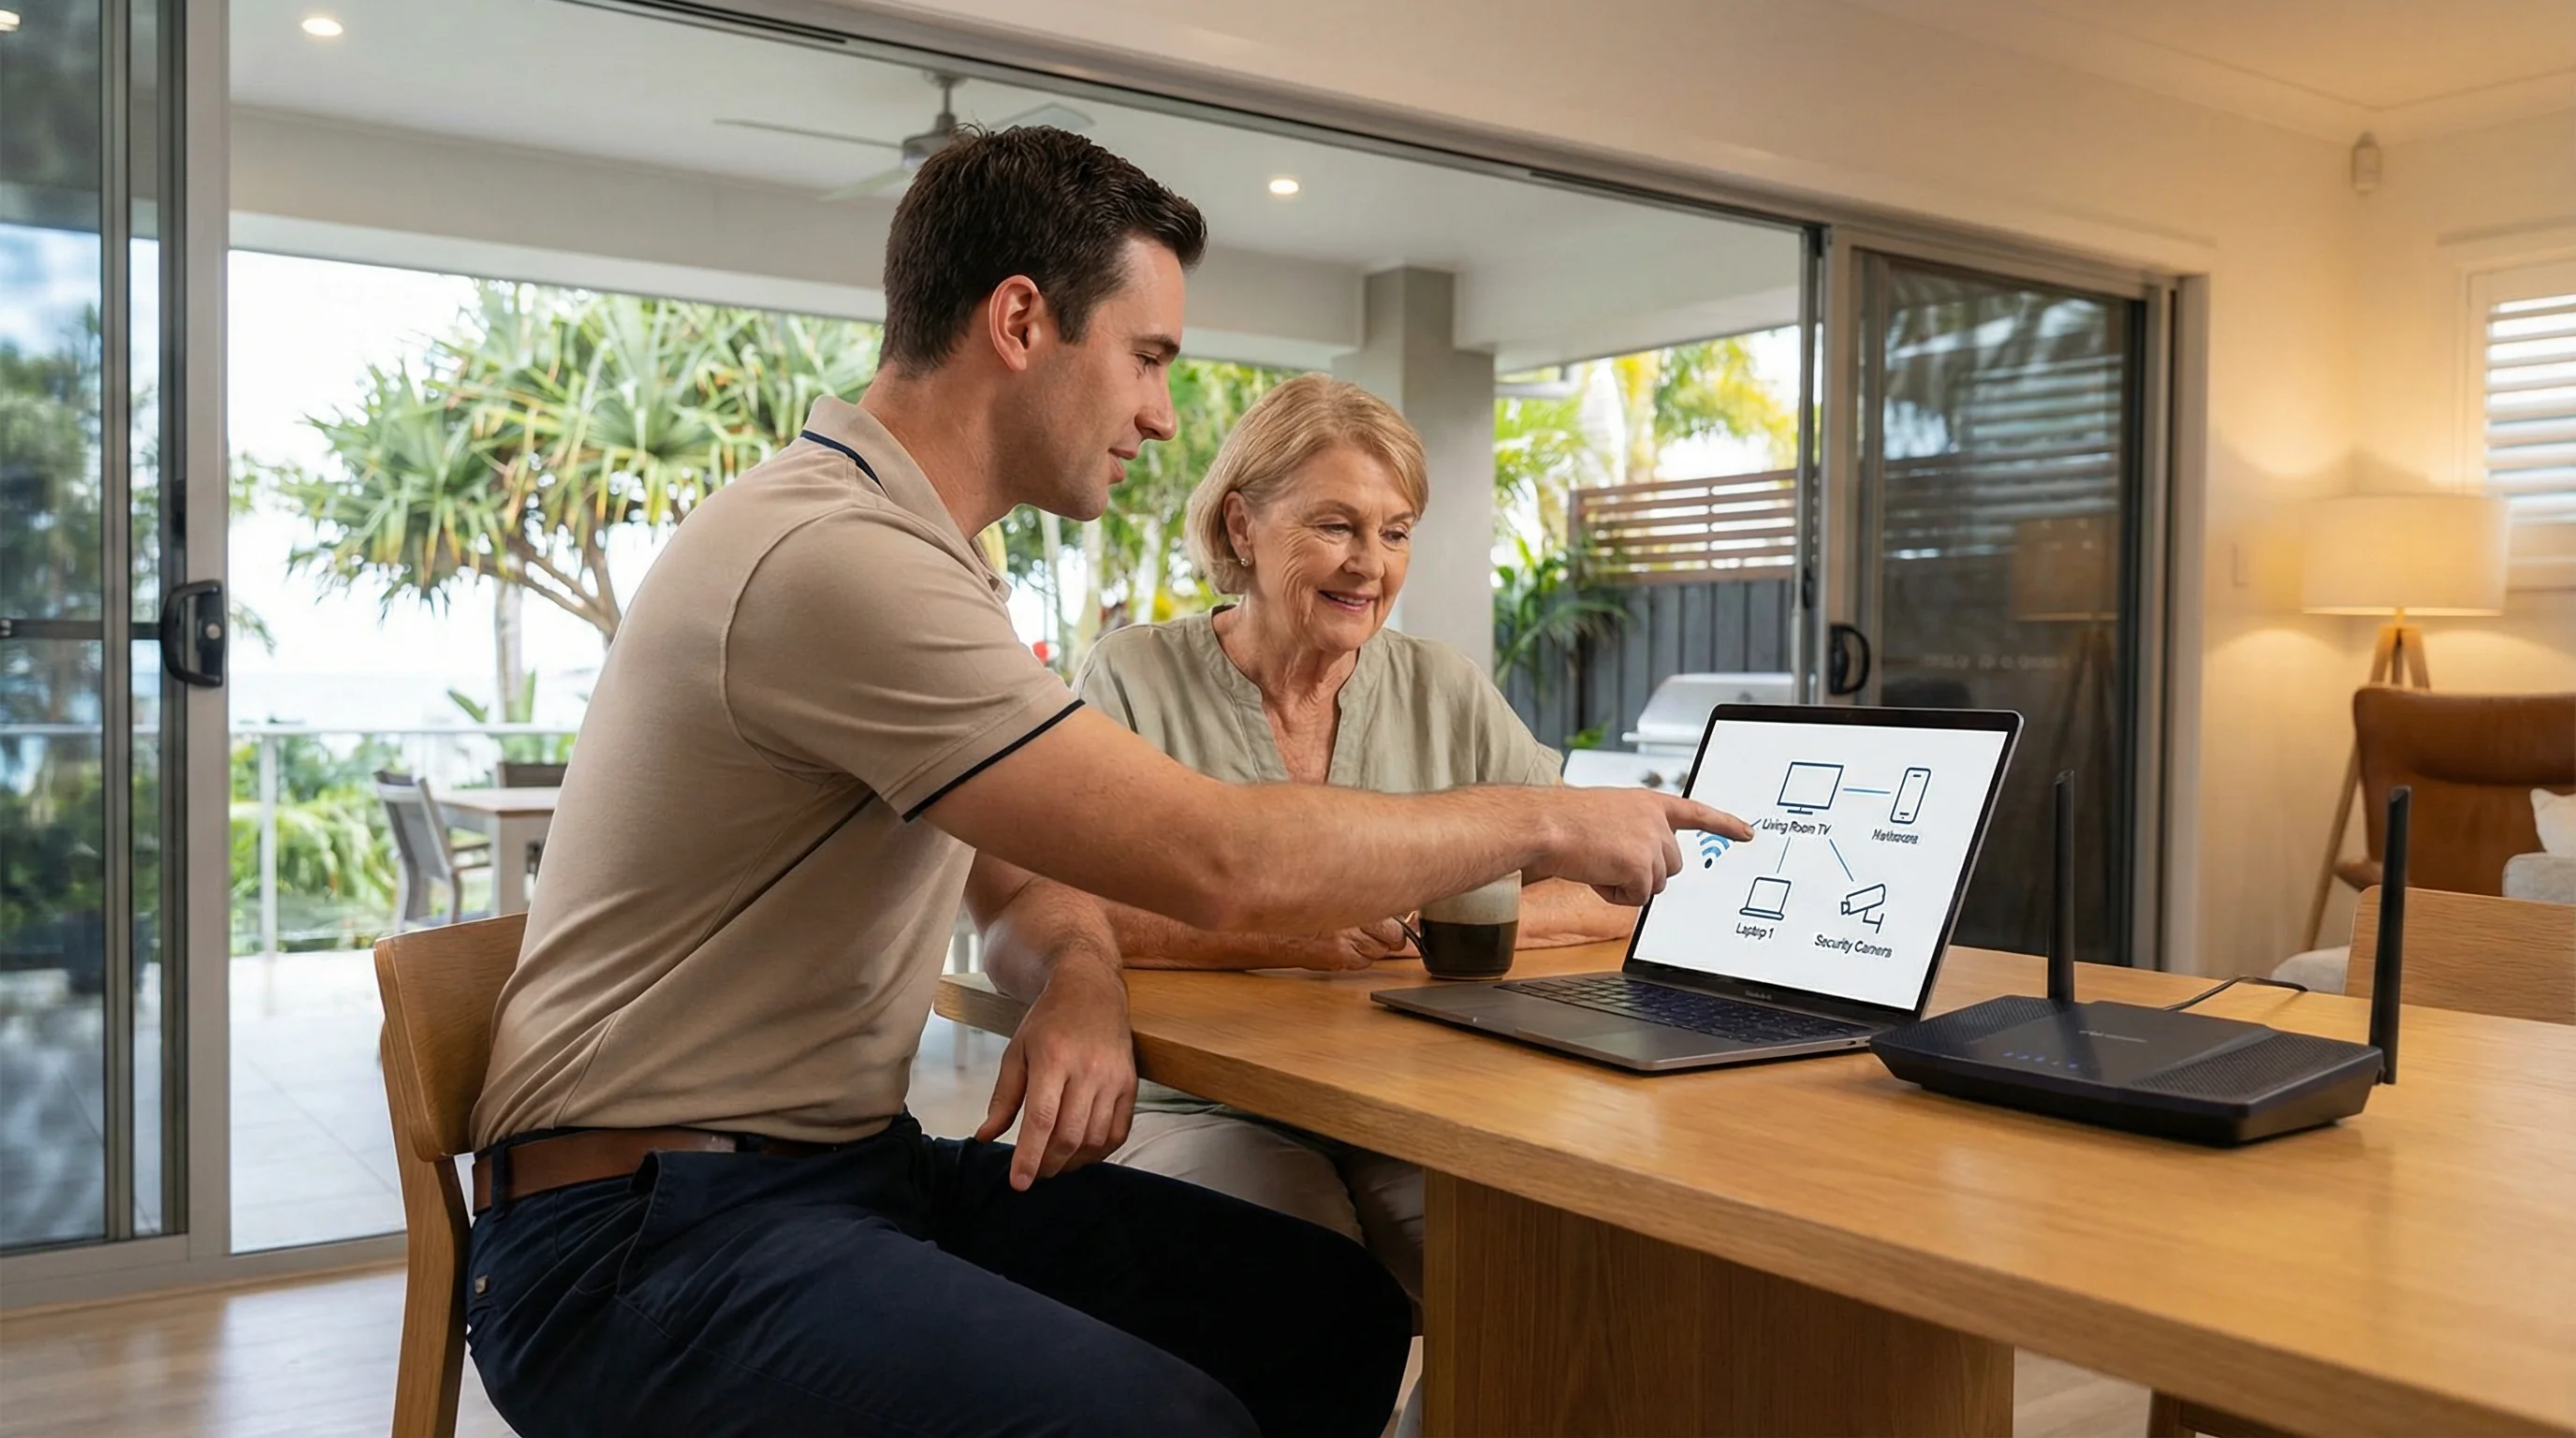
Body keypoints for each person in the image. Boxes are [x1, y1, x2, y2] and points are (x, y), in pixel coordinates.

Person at [462, 126, 1749, 1438]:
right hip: (638, 1243)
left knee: (1330, 1314)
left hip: (839, 1170)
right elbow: (1223, 861)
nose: (1159, 413)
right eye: (1146, 359)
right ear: (1020, 320)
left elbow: (1019, 878)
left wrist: (1079, 978)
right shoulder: (839, 558)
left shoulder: (929, 556)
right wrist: (1548, 816)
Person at [1076, 374, 1634, 1314]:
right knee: (1300, 1293)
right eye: (1335, 525)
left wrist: (1448, 912)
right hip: (1201, 1103)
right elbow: (1059, 905)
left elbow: (1605, 881)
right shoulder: (1130, 677)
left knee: (1553, 1279)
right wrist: (1279, 934)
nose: (1369, 564)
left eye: (1395, 530)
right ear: (1242, 527)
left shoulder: (1442, 688)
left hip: (1412, 1102)